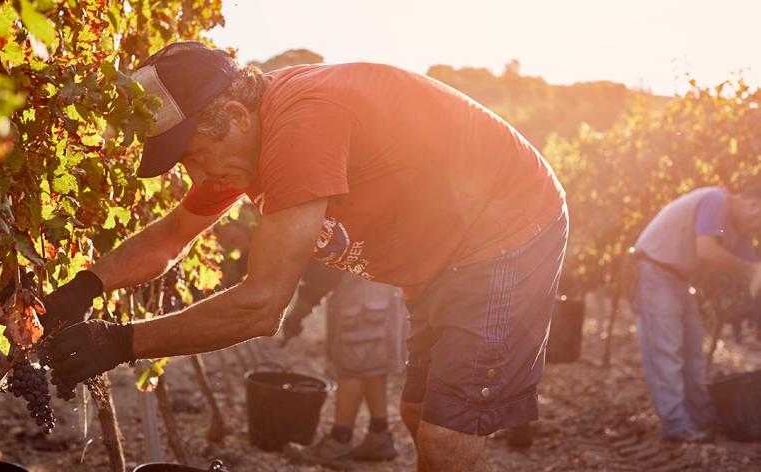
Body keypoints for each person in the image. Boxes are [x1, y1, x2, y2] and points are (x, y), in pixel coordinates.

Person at [43, 41, 568, 471]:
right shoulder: (245, 139)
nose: (197, 179)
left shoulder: (302, 125)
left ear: (233, 115)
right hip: (440, 260)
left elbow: (261, 306)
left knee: (447, 434)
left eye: (194, 158)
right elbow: (172, 235)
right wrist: (85, 286)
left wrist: (121, 342)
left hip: (504, 234)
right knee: (418, 411)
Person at [632, 183, 761, 443]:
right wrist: (752, 272)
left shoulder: (738, 230)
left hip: (679, 279)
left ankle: (703, 420)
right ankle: (677, 427)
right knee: (666, 353)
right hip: (655, 272)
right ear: (754, 205)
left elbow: (754, 278)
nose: (757, 231)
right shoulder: (716, 200)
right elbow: (708, 251)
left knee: (693, 355)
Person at [281, 262, 408, 470]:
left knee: (350, 367)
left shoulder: (338, 230)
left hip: (361, 297)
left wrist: (298, 313)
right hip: (382, 293)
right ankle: (379, 436)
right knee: (371, 364)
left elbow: (322, 276)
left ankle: (338, 443)